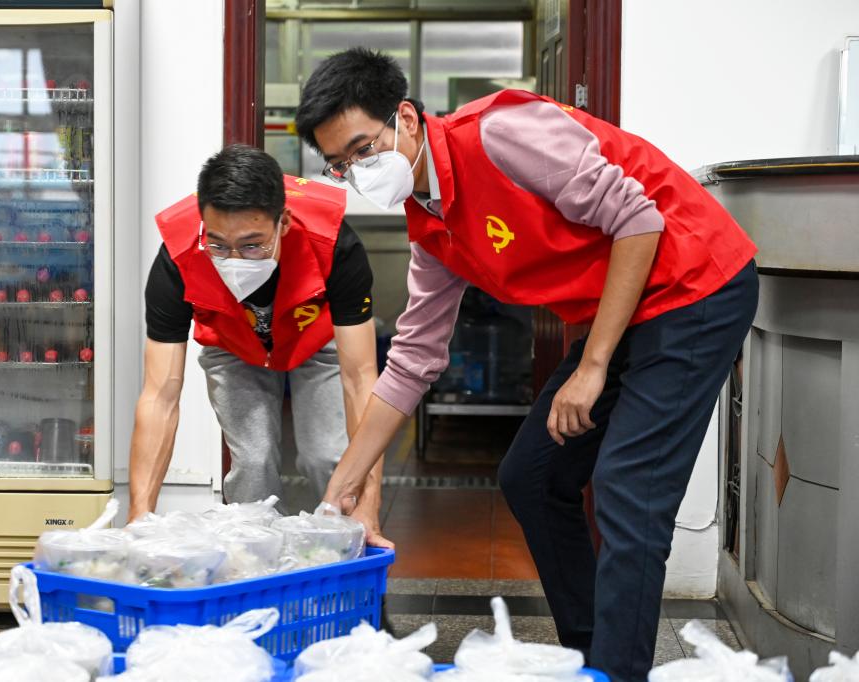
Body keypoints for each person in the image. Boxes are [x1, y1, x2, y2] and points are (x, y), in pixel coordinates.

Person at [293, 48, 757, 681]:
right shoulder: (429, 225)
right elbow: (413, 360)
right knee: (532, 477)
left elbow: (639, 220)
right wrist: (345, 483)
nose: (357, 172)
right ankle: (591, 654)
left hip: (696, 284)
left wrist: (592, 367)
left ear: (405, 118)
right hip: (627, 308)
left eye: (362, 149)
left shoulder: (500, 134)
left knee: (629, 488)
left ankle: (618, 672)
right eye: (340, 165)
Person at [127, 145, 389, 548]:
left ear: (283, 222)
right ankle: (254, 564)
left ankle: (349, 561)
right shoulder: (179, 256)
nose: (235, 259)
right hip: (234, 345)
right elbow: (160, 395)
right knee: (253, 462)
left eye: (253, 245)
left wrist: (370, 505)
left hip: (316, 339)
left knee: (329, 457)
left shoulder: (333, 242)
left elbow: (360, 380)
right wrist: (138, 517)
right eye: (218, 245)